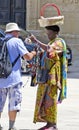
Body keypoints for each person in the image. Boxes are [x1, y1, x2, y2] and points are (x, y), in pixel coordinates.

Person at [30, 25, 67, 130]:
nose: (47, 35)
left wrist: (36, 41)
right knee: (44, 99)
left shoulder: (59, 42)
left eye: (49, 33)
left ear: (55, 32)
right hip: (45, 76)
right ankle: (48, 123)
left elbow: (50, 51)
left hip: (52, 77)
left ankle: (53, 124)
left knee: (50, 99)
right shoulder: (52, 42)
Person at [0, 22, 36, 130]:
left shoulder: (1, 41)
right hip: (14, 78)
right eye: (18, 31)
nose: (19, 33)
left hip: (1, 78)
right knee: (14, 103)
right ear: (14, 32)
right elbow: (28, 57)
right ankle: (11, 127)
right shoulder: (17, 41)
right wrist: (34, 52)